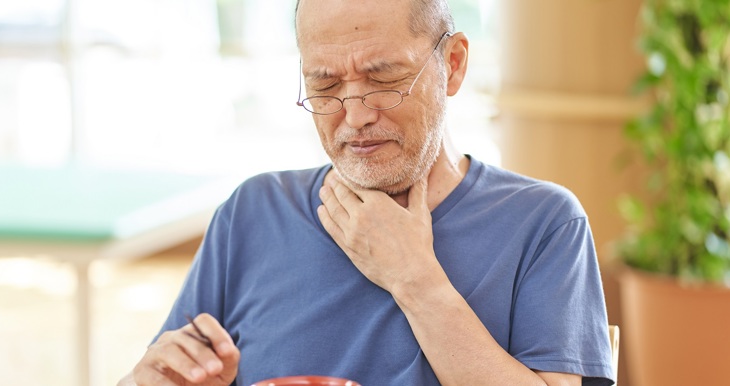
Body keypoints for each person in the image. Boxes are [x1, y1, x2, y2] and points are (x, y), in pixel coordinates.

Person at [119, 0, 615, 385]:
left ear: (455, 64)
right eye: (326, 85)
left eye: (384, 79)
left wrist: (416, 279)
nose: (355, 115)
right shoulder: (253, 212)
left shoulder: (543, 223)